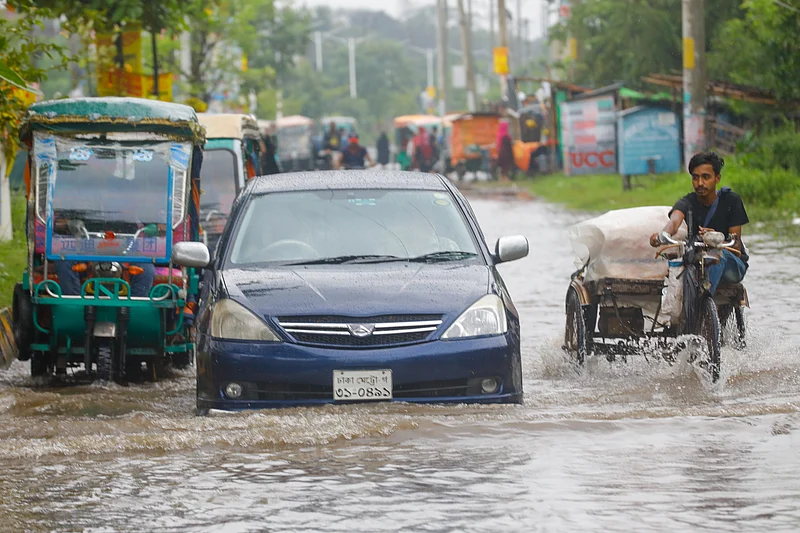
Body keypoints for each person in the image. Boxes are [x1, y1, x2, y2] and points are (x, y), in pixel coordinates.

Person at [649, 151, 749, 295]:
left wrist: (715, 238)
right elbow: (674, 222)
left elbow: (736, 246)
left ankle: (704, 299)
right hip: (697, 264)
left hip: (731, 265)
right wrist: (663, 235)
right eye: (695, 178)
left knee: (715, 255)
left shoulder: (731, 201)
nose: (700, 183)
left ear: (717, 178)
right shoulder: (687, 202)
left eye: (706, 177)